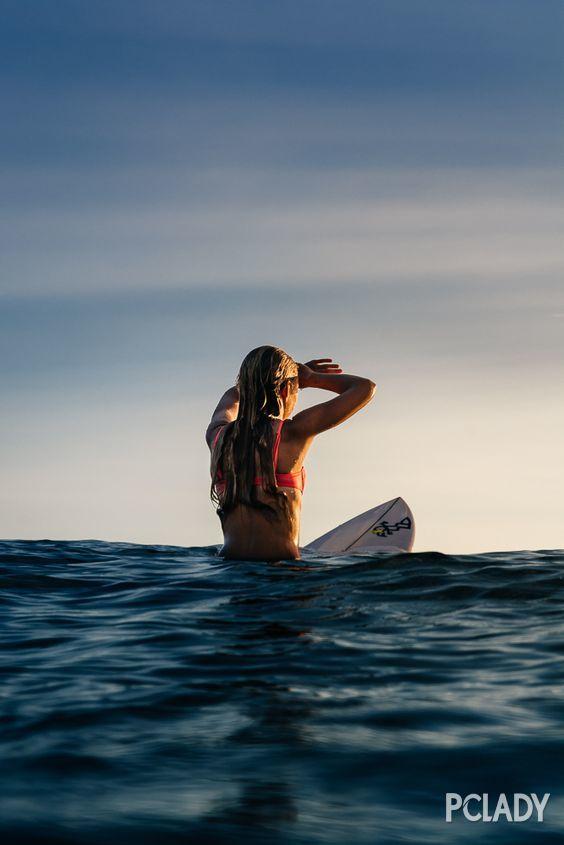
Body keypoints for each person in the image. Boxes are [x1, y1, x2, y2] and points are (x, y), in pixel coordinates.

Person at [206, 346, 376, 560]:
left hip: (230, 570)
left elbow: (231, 396)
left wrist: (267, 379)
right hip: (282, 571)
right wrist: (311, 378)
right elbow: (364, 388)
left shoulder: (218, 437)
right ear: (286, 390)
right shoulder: (293, 433)